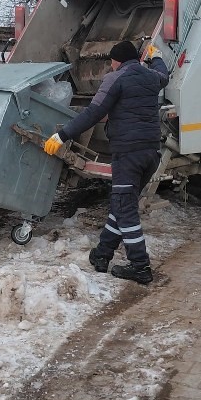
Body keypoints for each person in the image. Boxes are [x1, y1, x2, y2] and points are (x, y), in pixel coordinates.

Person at [44, 40, 169, 285]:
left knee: (125, 210)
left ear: (118, 61)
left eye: (112, 61)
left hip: (128, 155)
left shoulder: (116, 78)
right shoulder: (151, 77)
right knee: (122, 205)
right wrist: (156, 57)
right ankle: (102, 254)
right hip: (151, 154)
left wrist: (62, 135)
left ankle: (140, 266)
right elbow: (164, 74)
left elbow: (94, 112)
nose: (111, 65)